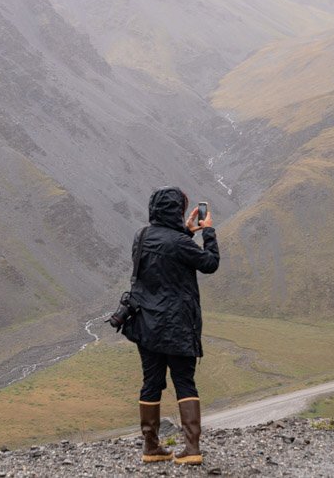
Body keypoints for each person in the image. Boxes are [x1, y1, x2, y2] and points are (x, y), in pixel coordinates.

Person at [121, 186, 220, 465]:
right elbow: (210, 263)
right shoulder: (180, 243)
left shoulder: (141, 236)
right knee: (184, 381)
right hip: (177, 325)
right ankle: (191, 449)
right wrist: (207, 232)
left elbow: (164, 256)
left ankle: (151, 447)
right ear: (177, 211)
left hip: (146, 324)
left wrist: (186, 232)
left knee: (151, 383)